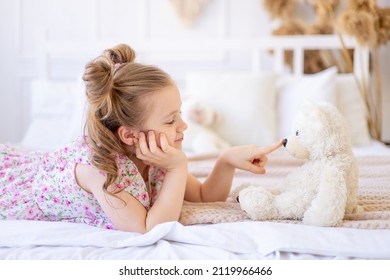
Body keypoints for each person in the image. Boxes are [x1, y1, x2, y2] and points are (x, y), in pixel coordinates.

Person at [0, 44, 282, 233]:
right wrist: (177, 168)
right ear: (129, 135)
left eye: (179, 114)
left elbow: (204, 196)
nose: (183, 125)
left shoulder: (155, 152)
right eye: (170, 120)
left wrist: (226, 161)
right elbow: (147, 229)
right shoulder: (101, 172)